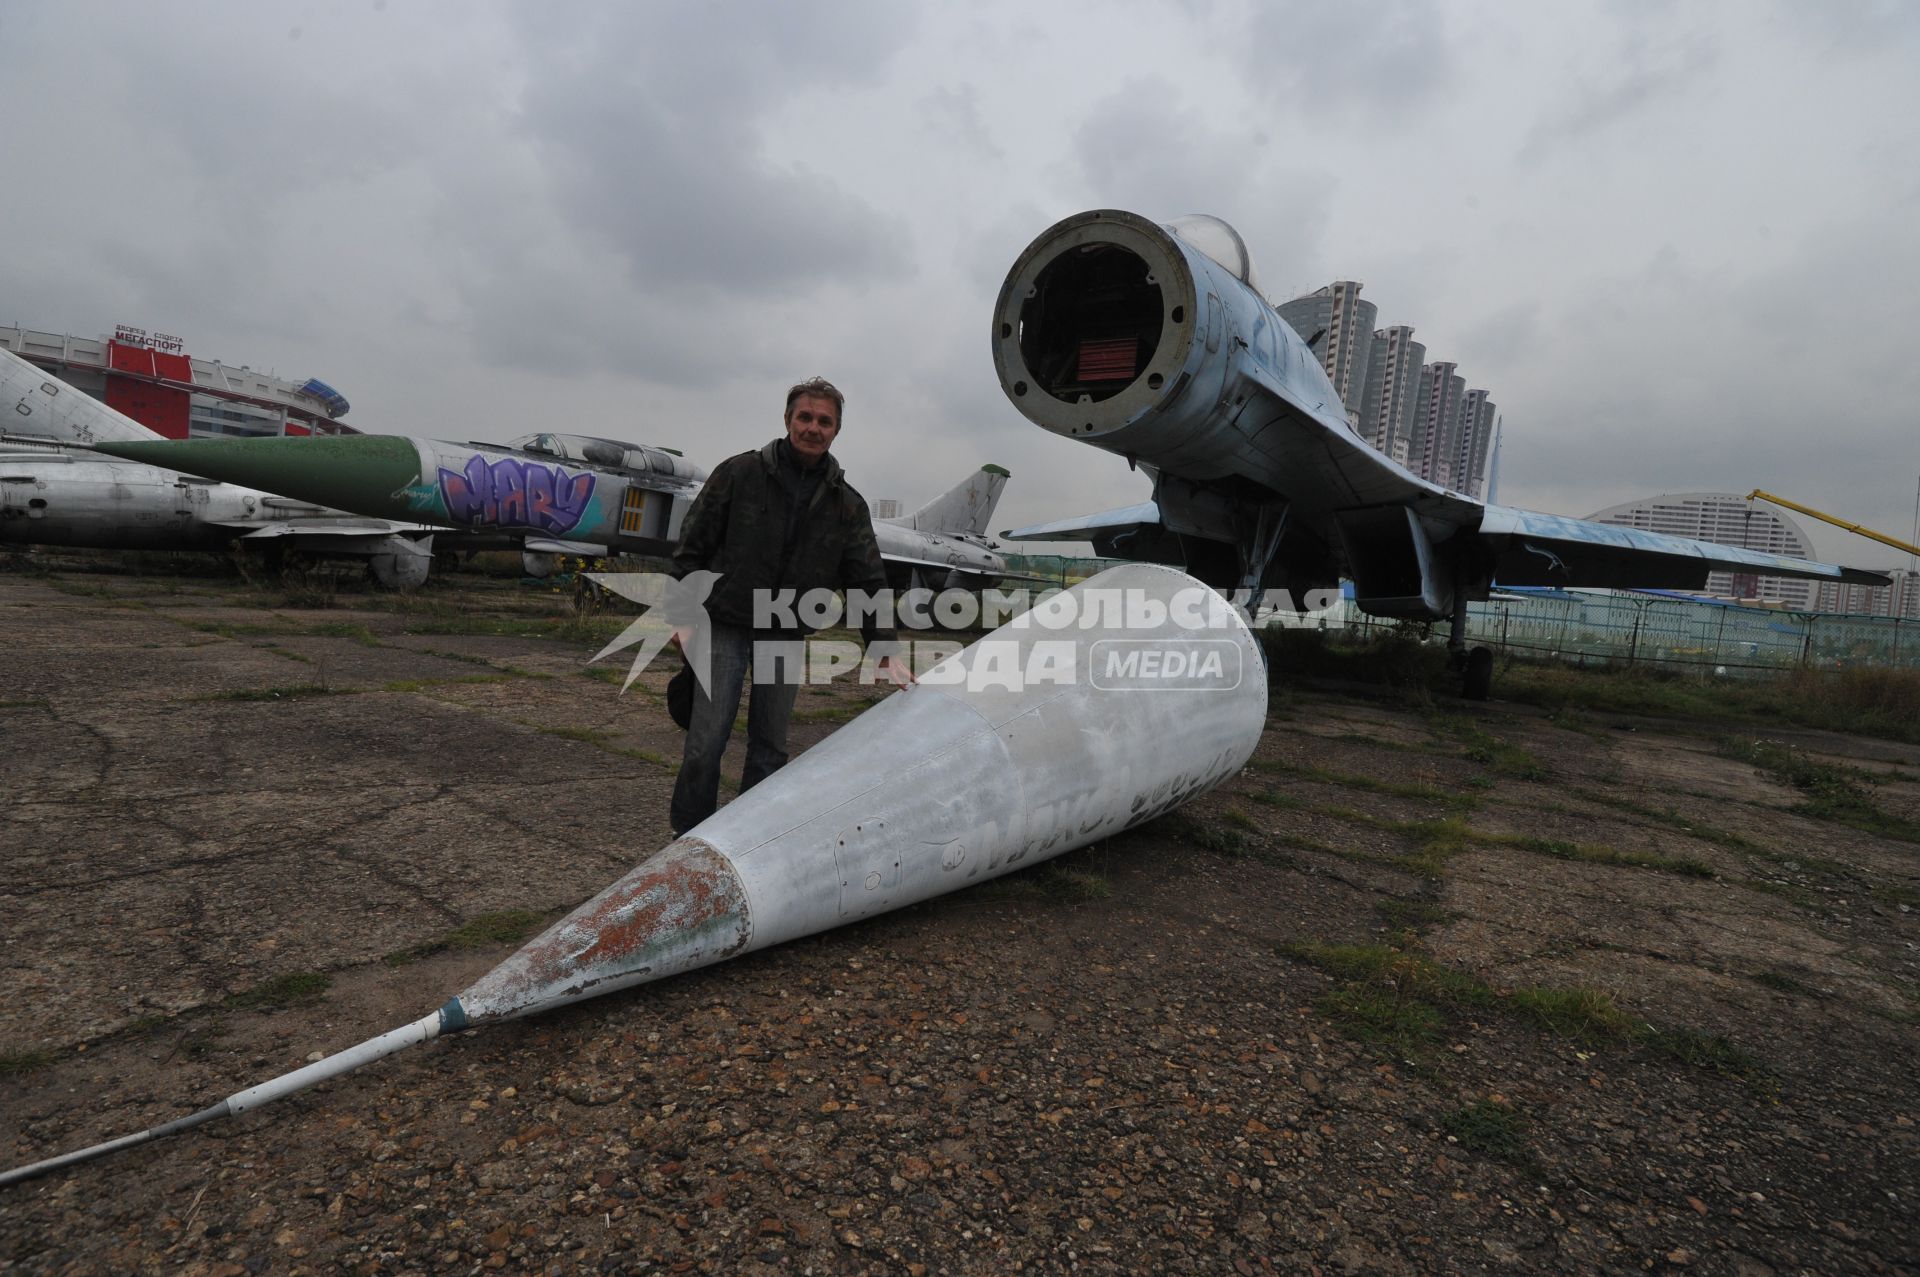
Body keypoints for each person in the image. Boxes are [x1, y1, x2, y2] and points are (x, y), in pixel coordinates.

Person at [666, 376, 913, 836]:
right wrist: (682, 617)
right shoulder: (739, 474)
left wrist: (884, 647)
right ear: (787, 420)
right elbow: (692, 547)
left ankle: (750, 839)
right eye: (805, 417)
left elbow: (866, 577)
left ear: (836, 430)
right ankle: (688, 837)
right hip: (726, 623)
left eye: (825, 421)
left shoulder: (847, 505)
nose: (813, 428)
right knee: (705, 742)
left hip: (785, 632)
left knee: (770, 748)